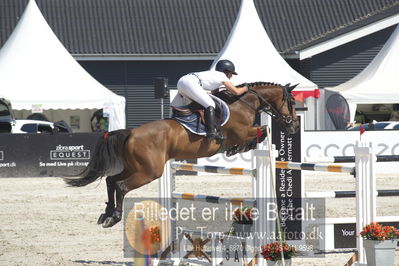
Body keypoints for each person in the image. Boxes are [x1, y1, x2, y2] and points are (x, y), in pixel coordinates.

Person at [171, 59, 248, 141]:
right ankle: (211, 132)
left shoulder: (213, 75)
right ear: (226, 71)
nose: (231, 76)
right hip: (190, 83)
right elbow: (236, 92)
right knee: (211, 104)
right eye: (231, 74)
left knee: (185, 106)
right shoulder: (222, 76)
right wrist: (245, 88)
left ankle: (175, 121)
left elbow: (215, 93)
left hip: (182, 81)